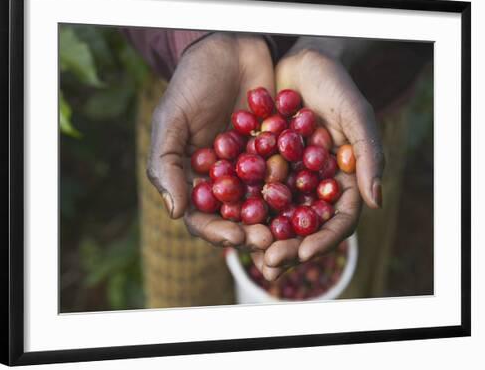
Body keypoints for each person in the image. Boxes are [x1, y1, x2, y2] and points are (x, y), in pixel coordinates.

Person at [124, 28, 431, 283]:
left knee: (349, 279)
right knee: (183, 285)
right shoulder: (222, 148)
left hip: (360, 101)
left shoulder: (291, 158)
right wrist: (198, 36)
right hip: (197, 104)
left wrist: (328, 41)